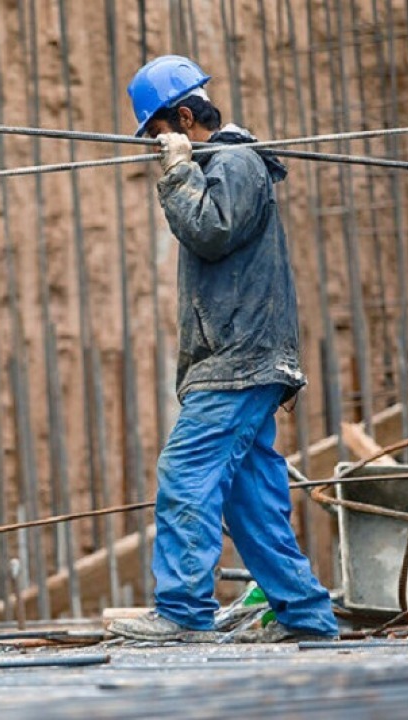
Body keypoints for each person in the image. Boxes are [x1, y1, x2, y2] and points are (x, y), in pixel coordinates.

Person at [110, 55, 338, 643]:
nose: (153, 149)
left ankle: (183, 611)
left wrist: (180, 173)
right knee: (252, 499)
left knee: (186, 473)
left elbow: (209, 233)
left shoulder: (236, 162)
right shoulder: (226, 163)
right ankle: (306, 615)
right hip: (243, 357)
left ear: (184, 118)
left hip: (238, 361)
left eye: (158, 135)